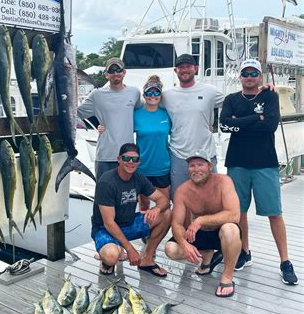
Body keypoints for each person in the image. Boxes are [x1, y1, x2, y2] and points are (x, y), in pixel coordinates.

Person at [219, 58, 298, 285]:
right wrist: (256, 118)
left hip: (265, 164)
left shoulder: (270, 96)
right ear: (240, 77)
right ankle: (245, 251)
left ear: (260, 77)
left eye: (254, 73)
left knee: (274, 212)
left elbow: (270, 126)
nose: (250, 77)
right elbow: (224, 125)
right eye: (246, 73)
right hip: (237, 163)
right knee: (239, 212)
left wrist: (240, 123)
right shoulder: (231, 99)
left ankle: (285, 261)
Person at [165, 151, 242, 297]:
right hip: (199, 234)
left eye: (200, 164)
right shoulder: (182, 191)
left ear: (210, 166)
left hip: (221, 233)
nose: (196, 169)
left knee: (230, 229)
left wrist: (200, 220)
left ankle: (227, 277)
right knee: (171, 249)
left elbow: (234, 215)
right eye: (192, 165)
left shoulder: (224, 181)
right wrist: (184, 243)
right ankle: (207, 258)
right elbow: (177, 223)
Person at [92, 143, 171, 276]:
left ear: (139, 161)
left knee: (167, 214)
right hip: (104, 229)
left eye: (135, 159)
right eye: (126, 158)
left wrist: (156, 209)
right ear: (119, 159)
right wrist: (130, 249)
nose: (130, 162)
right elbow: (108, 223)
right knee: (111, 256)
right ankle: (106, 261)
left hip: (128, 224)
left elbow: (163, 200)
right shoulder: (106, 182)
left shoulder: (139, 178)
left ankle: (147, 259)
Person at [161, 53, 224, 197]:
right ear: (175, 71)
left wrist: (263, 90)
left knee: (211, 199)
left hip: (206, 154)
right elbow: (145, 104)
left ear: (195, 69)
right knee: (179, 198)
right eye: (180, 67)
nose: (184, 70)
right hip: (179, 156)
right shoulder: (167, 95)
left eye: (188, 66)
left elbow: (235, 102)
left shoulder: (210, 91)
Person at [77, 57, 141, 180]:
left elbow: (142, 111)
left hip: (128, 157)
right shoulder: (97, 94)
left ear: (124, 72)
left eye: (118, 70)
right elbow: (77, 113)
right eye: (111, 70)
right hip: (105, 156)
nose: (115, 73)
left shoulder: (134, 92)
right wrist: (97, 125)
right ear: (106, 74)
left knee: (126, 197)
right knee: (103, 195)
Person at [134, 75, 171, 208]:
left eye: (156, 92)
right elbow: (120, 128)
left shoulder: (167, 113)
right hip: (142, 168)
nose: (152, 95)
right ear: (144, 95)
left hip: (162, 167)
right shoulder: (136, 114)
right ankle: (145, 229)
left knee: (164, 205)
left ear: (161, 95)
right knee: (144, 204)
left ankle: (160, 229)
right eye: (149, 92)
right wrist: (102, 127)